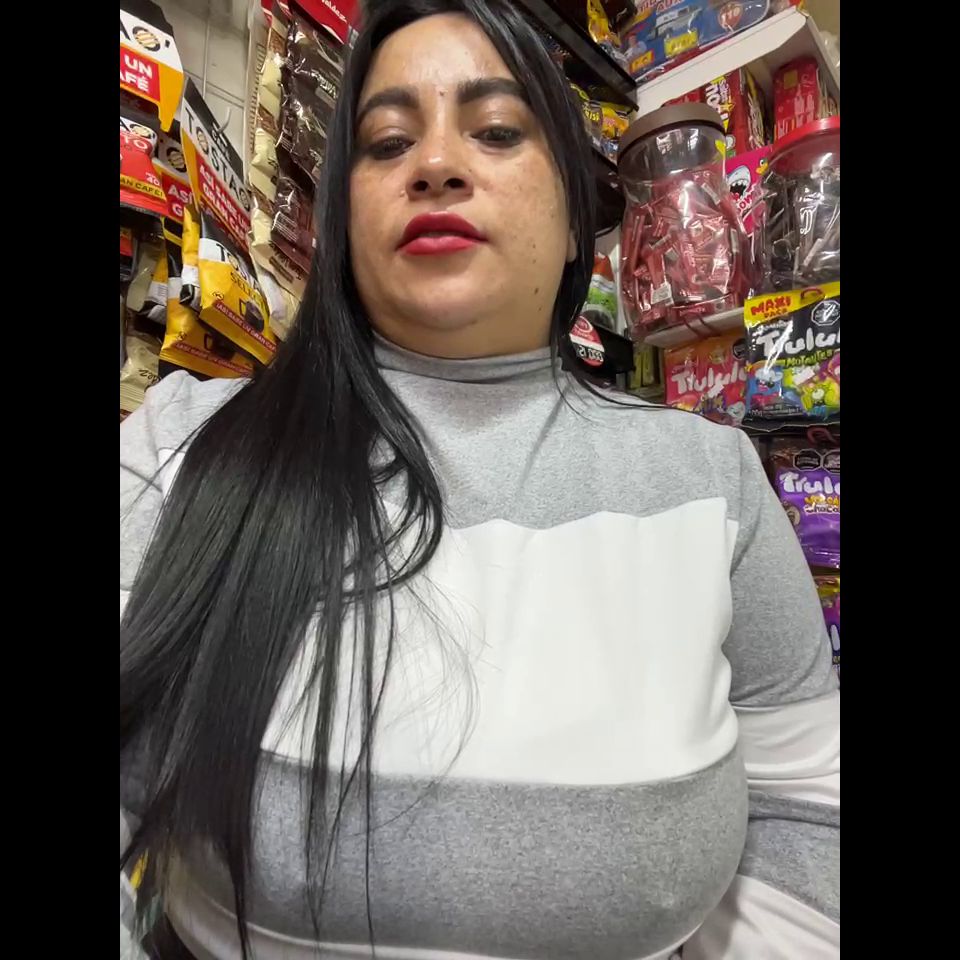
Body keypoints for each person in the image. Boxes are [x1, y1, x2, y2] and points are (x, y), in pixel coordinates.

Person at [120, 1, 840, 958]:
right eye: (386, 143)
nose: (435, 163)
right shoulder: (186, 445)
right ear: (343, 217)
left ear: (576, 210)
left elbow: (807, 810)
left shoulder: (714, 482)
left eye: (496, 131)